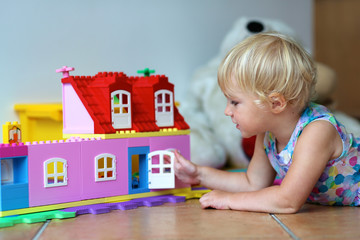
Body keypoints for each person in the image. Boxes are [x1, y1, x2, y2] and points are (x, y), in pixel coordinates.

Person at [174, 32, 360, 213]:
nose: (227, 111)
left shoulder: (317, 131)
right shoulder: (268, 134)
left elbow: (288, 201)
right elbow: (252, 183)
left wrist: (230, 200)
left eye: (235, 102)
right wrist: (198, 174)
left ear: (275, 103)